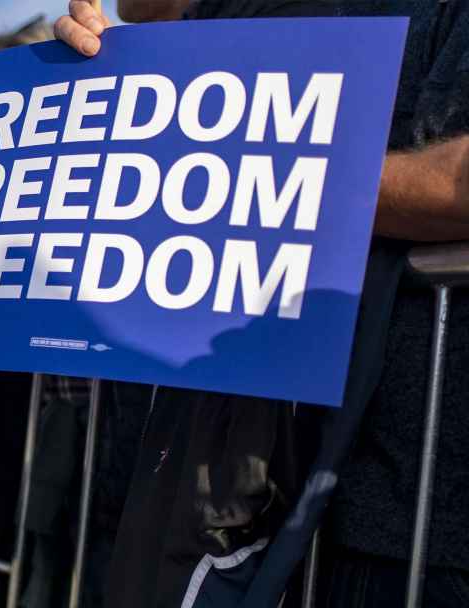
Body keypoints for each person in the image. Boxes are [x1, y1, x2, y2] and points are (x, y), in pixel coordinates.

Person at [55, 1, 469, 606]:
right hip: (233, 503)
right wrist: (98, 87)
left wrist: (239, 173)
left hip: (413, 524)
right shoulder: (227, 22)